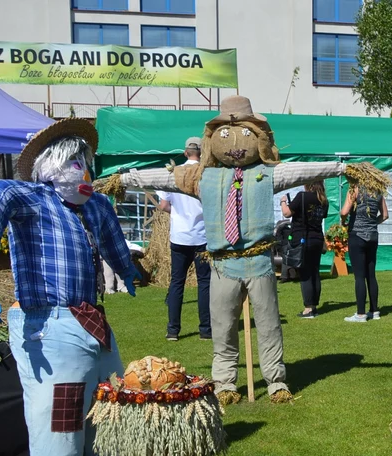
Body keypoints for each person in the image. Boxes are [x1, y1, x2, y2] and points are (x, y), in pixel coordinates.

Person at [117, 95, 353, 405]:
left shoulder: (268, 174)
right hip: (223, 265)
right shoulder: (202, 177)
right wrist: (124, 179)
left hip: (259, 263)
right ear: (212, 140)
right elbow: (163, 178)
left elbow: (303, 171)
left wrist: (343, 167)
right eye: (225, 135)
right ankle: (225, 382)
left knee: (269, 325)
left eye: (245, 134)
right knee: (223, 327)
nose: (236, 143)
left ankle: (276, 380)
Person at [0, 118, 140, 456]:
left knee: (111, 405)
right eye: (73, 161)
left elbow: (112, 235)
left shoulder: (94, 205)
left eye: (85, 162)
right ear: (51, 165)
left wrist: (126, 270)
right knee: (60, 412)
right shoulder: (27, 197)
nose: (83, 170)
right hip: (48, 322)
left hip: (93, 319)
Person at [157, 136, 211, 341]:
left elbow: (163, 205)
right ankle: (206, 329)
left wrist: (178, 212)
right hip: (202, 235)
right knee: (205, 282)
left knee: (176, 282)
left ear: (186, 152)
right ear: (201, 152)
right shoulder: (206, 174)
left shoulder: (174, 173)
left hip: (180, 235)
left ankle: (173, 330)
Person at [341, 179, 388, 322]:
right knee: (371, 275)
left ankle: (360, 314)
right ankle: (374, 311)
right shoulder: (378, 191)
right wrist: (373, 223)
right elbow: (385, 215)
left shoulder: (354, 189)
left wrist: (344, 222)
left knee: (359, 276)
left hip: (357, 235)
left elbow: (344, 211)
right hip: (373, 236)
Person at [280, 180, 329, 318]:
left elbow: (287, 213)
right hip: (317, 239)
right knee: (314, 272)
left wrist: (283, 202)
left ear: (308, 184)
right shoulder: (324, 200)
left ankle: (308, 308)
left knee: (305, 274)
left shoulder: (302, 196)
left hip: (303, 239)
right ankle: (314, 306)